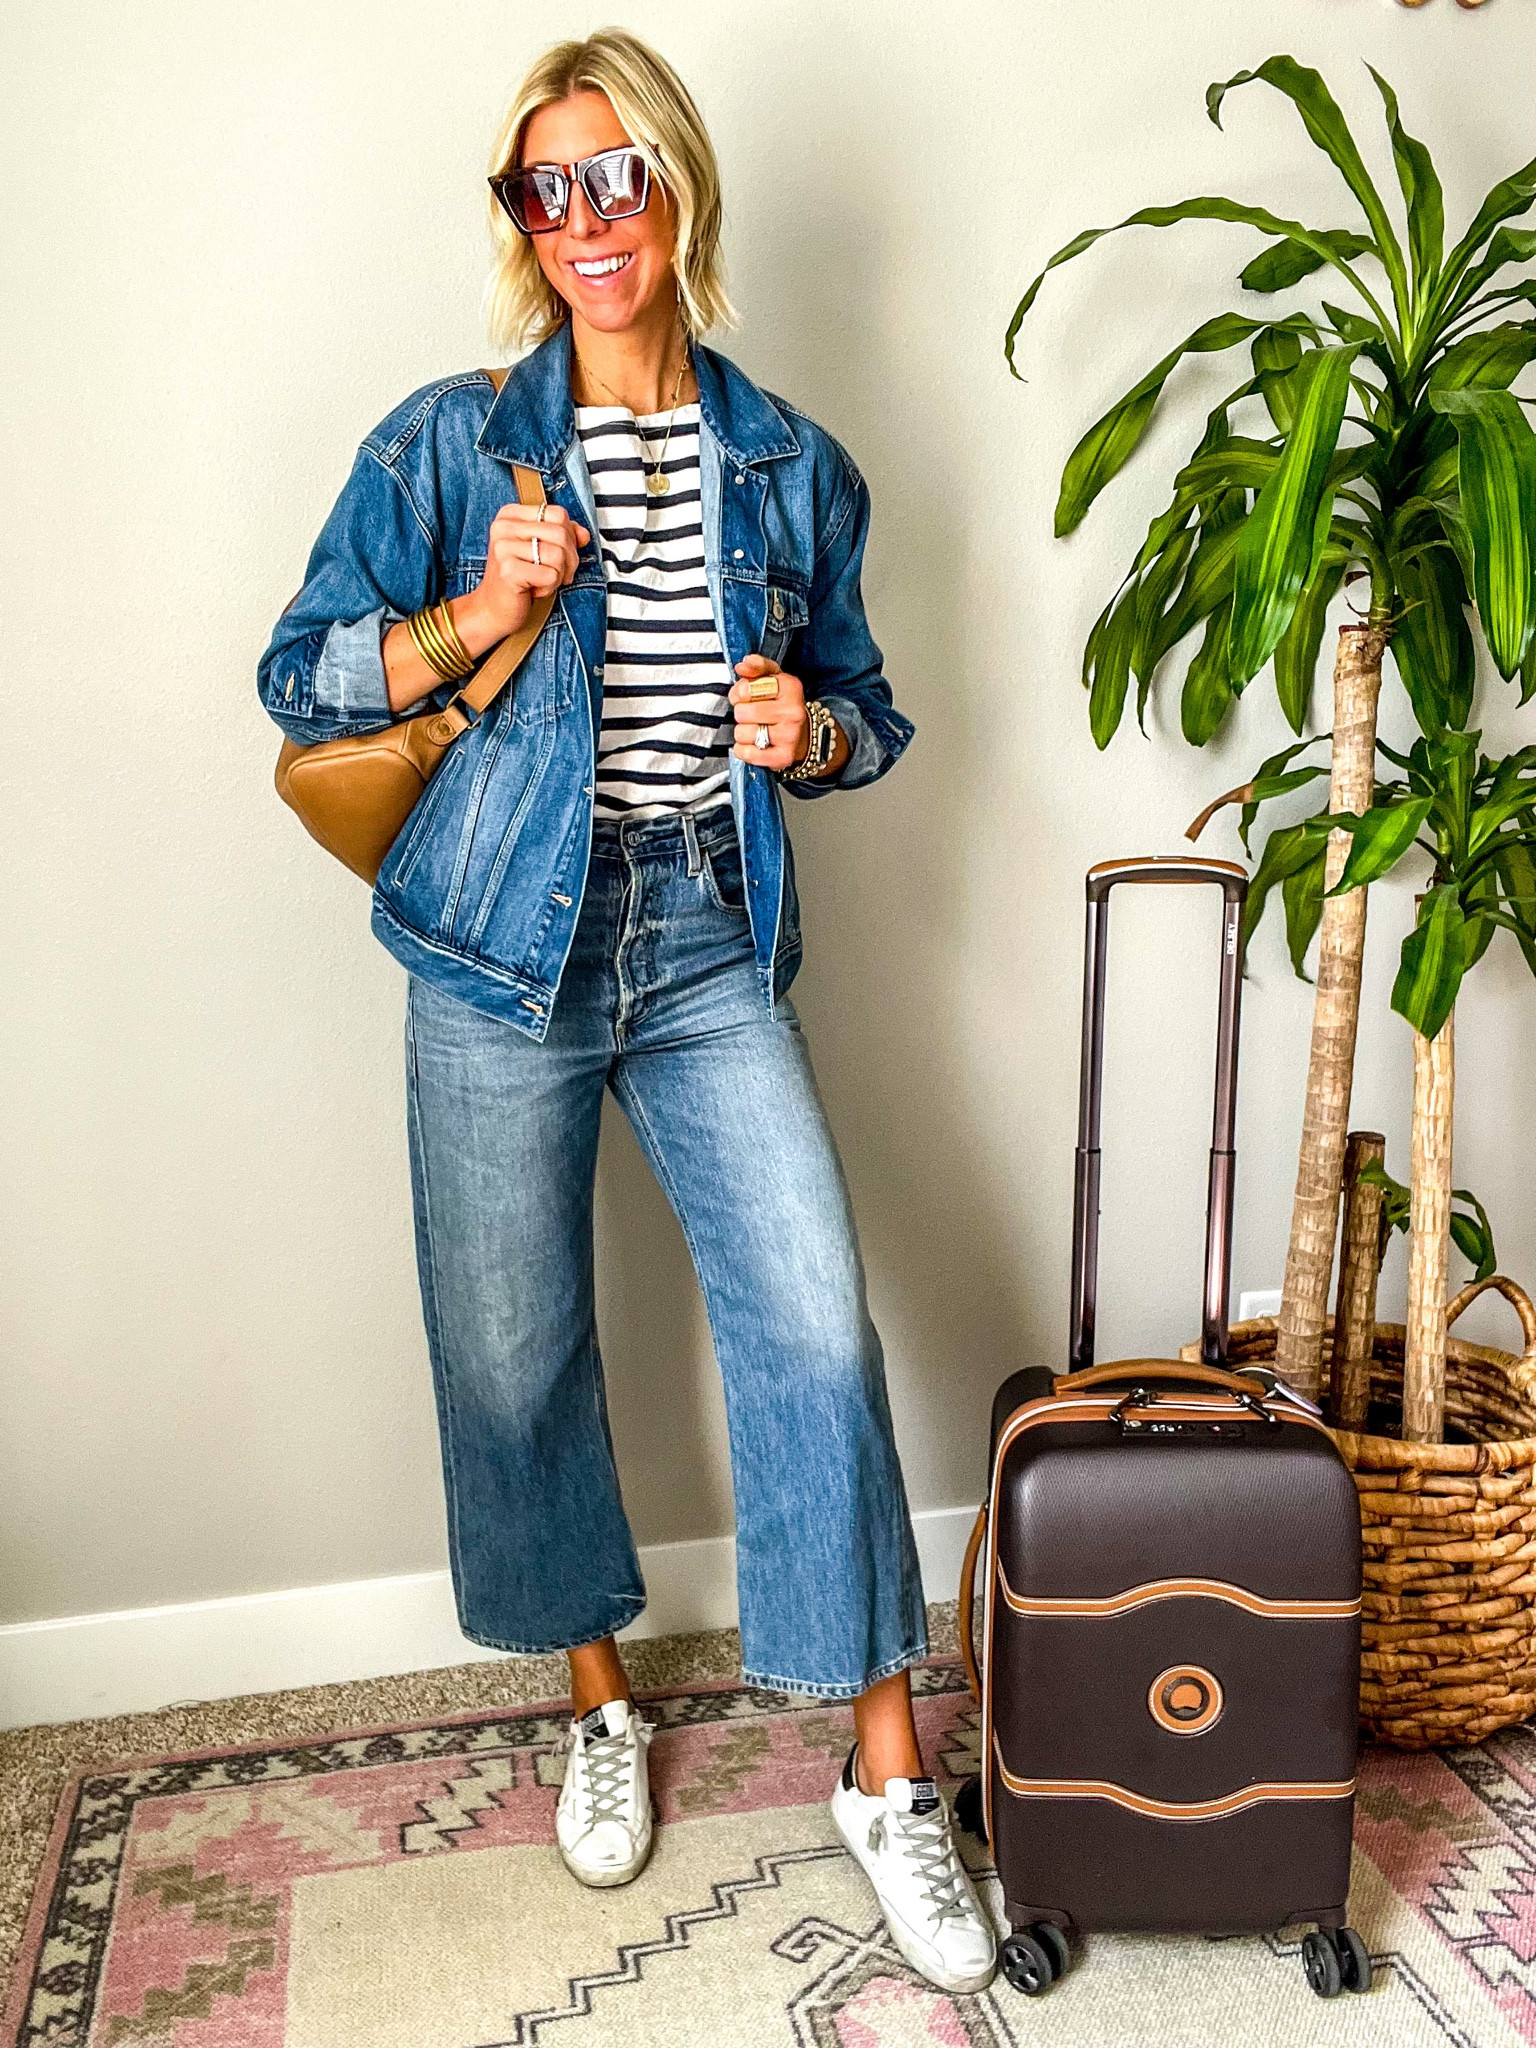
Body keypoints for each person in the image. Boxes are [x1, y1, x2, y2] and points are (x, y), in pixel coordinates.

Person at [257, 26, 994, 1994]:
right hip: (499, 944)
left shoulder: (794, 466)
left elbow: (873, 709)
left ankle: (884, 1767)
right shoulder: (449, 446)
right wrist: (470, 614)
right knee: (516, 1355)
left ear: (679, 186)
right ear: (519, 224)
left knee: (817, 1334)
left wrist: (809, 724)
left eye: (617, 175)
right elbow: (304, 680)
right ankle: (599, 1695)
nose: (587, 221)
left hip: (702, 947)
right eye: (545, 190)